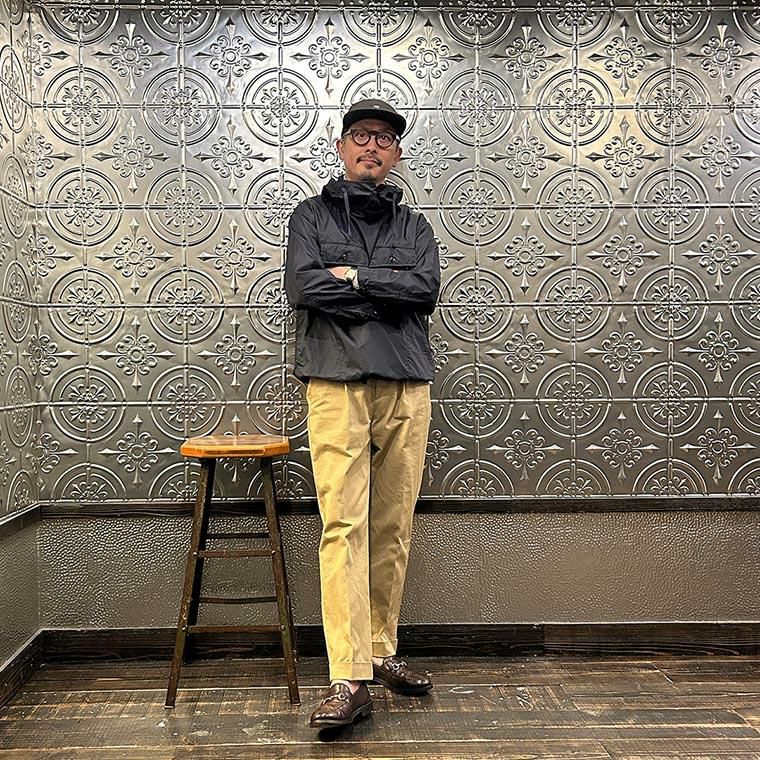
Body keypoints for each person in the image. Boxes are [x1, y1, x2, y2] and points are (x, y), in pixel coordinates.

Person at [284, 98, 441, 729]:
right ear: (342, 147)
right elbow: (304, 287)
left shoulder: (415, 227)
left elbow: (424, 291)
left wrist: (352, 278)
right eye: (360, 135)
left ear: (396, 153)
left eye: (383, 138)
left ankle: (380, 649)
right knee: (343, 525)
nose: (371, 145)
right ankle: (347, 676)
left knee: (393, 524)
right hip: (334, 380)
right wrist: (380, 288)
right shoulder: (310, 215)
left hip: (406, 380)